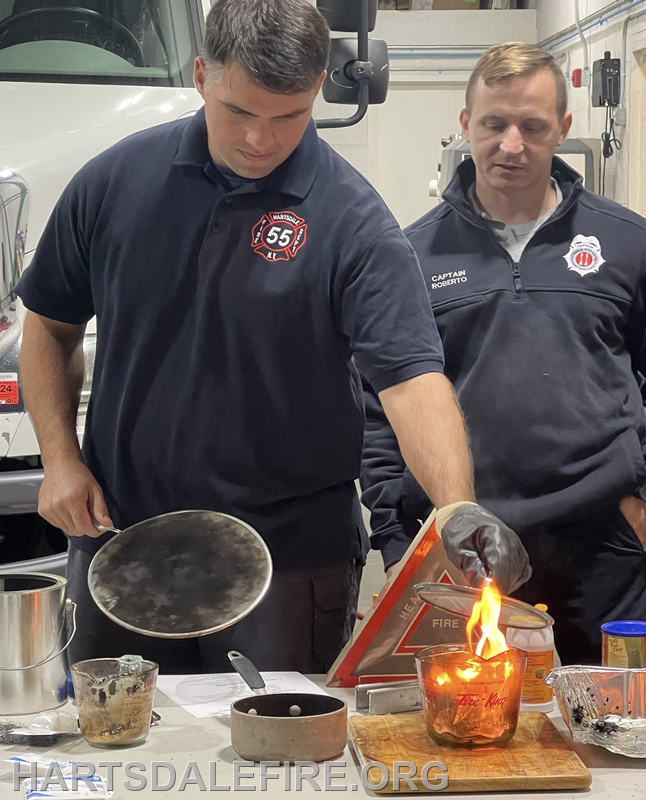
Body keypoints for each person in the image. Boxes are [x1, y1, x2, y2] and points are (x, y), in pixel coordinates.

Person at [16, 1, 529, 674]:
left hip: (287, 559)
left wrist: (456, 508)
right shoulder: (113, 183)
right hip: (123, 536)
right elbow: (50, 326)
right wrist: (60, 457)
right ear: (202, 75)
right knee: (113, 750)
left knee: (280, 761)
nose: (261, 140)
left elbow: (410, 382)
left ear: (318, 86)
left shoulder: (354, 223)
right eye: (240, 112)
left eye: (288, 116)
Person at [361, 42, 646, 666]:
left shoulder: (627, 243)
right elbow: (381, 411)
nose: (511, 144)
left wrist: (640, 495)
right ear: (466, 125)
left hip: (602, 545)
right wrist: (393, 539)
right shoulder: (409, 256)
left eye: (532, 126)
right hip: (465, 543)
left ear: (564, 130)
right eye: (493, 124)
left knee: (615, 728)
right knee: (474, 727)